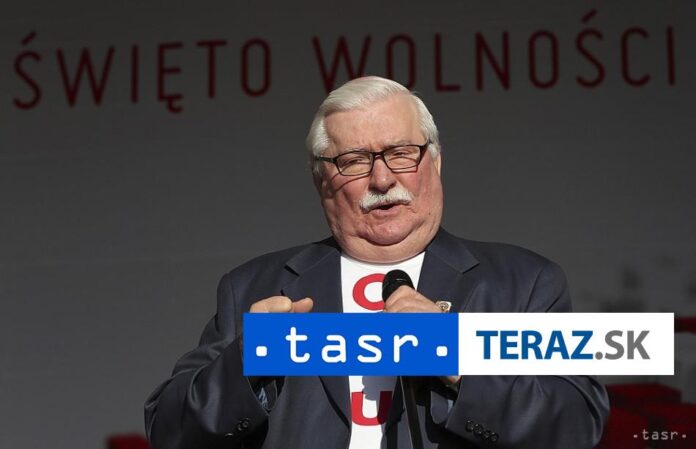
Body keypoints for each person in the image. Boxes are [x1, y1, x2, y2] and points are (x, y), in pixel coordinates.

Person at [144, 76, 609, 449]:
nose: (382, 179)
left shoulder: (523, 283)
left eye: (401, 154)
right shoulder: (254, 288)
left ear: (435, 162)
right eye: (354, 161)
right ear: (321, 181)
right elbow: (169, 431)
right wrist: (247, 364)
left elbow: (575, 426)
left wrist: (456, 357)